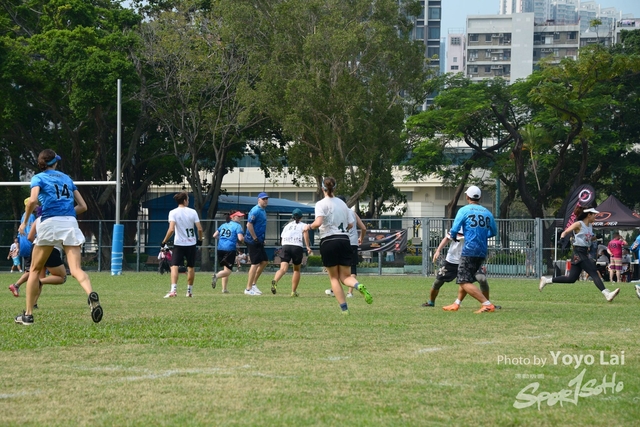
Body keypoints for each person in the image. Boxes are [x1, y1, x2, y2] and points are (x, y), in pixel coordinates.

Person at [15, 149, 102, 325]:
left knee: (34, 270)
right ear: (55, 162)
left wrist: (24, 222)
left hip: (49, 223)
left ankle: (28, 315)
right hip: (70, 223)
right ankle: (90, 294)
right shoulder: (67, 179)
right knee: (76, 269)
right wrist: (66, 213)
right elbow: (83, 206)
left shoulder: (38, 178)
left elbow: (32, 201)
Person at [303, 177, 372, 314]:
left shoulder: (321, 204)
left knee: (334, 278)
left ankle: (344, 309)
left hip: (328, 241)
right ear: (335, 188)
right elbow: (351, 224)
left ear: (322, 188)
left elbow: (318, 222)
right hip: (345, 240)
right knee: (346, 277)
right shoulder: (343, 204)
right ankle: (357, 285)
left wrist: (308, 226)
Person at [539, 206, 620, 302]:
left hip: (583, 252)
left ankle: (546, 280)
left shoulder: (590, 226)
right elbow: (565, 232)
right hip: (578, 252)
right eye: (594, 214)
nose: (595, 216)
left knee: (571, 279)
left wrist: (595, 237)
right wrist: (561, 240)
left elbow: (588, 239)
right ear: (588, 215)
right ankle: (607, 294)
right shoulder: (579, 224)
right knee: (593, 272)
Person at [447, 185, 498, 313]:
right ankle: (456, 303)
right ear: (480, 197)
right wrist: (482, 236)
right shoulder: (487, 212)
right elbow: (494, 231)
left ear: (467, 197)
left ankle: (487, 304)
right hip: (482, 250)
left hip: (469, 249)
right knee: (467, 278)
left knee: (463, 281)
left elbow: (455, 229)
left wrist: (454, 237)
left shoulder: (464, 210)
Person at [422, 230, 493, 310]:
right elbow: (447, 238)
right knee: (438, 282)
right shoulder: (459, 226)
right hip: (452, 260)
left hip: (469, 260)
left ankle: (487, 304)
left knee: (481, 279)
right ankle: (431, 302)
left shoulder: (476, 228)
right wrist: (438, 250)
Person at [161, 191, 203, 298]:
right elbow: (199, 228)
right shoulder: (193, 212)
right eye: (187, 199)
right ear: (184, 200)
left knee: (174, 266)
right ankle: (189, 292)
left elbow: (171, 229)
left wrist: (164, 241)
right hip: (191, 243)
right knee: (191, 267)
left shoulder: (173, 212)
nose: (188, 201)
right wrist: (200, 240)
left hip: (179, 243)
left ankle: (173, 290)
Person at [325, 196, 366, 298]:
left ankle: (334, 290)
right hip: (353, 242)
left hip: (340, 241)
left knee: (336, 268)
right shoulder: (352, 213)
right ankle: (350, 293)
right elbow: (363, 228)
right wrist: (361, 238)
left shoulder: (335, 212)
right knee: (352, 268)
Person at [270, 208, 312, 297]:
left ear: (292, 217)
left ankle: (275, 280)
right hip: (297, 247)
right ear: (301, 217)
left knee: (283, 269)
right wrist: (308, 247)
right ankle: (293, 291)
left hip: (285, 246)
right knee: (296, 270)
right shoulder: (303, 225)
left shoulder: (287, 226)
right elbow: (305, 234)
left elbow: (282, 239)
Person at [211, 211, 245, 294]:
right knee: (228, 271)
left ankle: (224, 289)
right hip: (229, 250)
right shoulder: (238, 226)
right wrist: (245, 240)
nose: (240, 218)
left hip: (220, 249)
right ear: (232, 217)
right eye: (238, 216)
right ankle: (216, 276)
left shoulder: (223, 225)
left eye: (241, 216)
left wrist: (223, 239)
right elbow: (240, 238)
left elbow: (214, 235)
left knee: (225, 269)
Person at [243, 192, 269, 296]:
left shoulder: (263, 210)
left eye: (266, 199)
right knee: (255, 264)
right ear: (258, 200)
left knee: (264, 261)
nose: (265, 200)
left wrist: (262, 239)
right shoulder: (256, 210)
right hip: (252, 241)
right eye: (263, 199)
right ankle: (248, 289)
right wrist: (255, 238)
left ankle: (253, 284)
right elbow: (249, 225)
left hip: (259, 240)